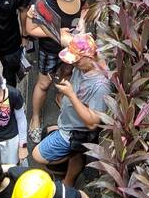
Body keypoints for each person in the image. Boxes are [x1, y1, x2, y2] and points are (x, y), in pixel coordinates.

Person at [32, 34, 110, 184]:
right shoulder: (88, 61)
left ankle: (71, 168)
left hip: (76, 131)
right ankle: (74, 157)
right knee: (51, 134)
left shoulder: (100, 86)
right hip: (69, 122)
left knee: (37, 155)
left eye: (76, 61)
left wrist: (71, 95)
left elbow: (93, 123)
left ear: (89, 57)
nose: (74, 64)